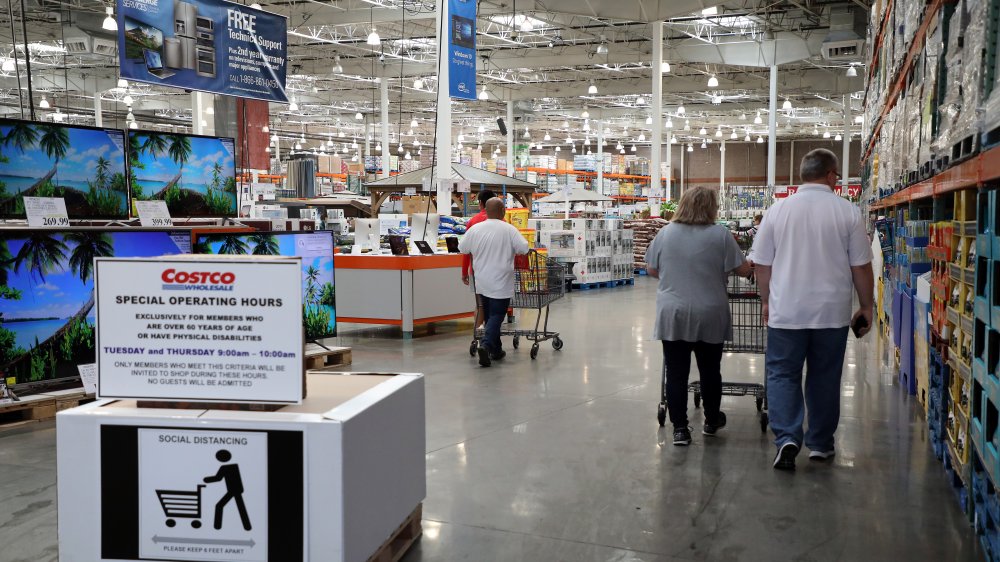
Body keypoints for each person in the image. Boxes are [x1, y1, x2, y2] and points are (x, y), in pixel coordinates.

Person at [750, 148, 874, 471]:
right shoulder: (847, 213)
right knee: (824, 377)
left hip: (786, 312)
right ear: (832, 176)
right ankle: (819, 443)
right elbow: (861, 267)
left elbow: (761, 265)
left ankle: (788, 437)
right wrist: (866, 306)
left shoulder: (777, 211)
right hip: (831, 315)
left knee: (781, 373)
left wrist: (766, 300)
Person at [645, 186, 752, 446]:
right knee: (709, 371)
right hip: (710, 312)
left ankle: (680, 429)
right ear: (711, 207)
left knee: (676, 372)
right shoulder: (721, 235)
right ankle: (712, 421)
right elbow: (742, 269)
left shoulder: (665, 233)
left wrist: (675, 278)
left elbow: (651, 269)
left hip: (674, 312)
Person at [459, 197, 529, 367]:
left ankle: (496, 350)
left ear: (486, 211)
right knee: (497, 315)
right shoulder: (509, 230)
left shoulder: (475, 229)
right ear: (503, 211)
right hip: (501, 280)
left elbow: (462, 248)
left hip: (482, 280)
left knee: (490, 315)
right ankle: (486, 345)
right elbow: (524, 248)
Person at [462, 189, 497, 327]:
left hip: (477, 271)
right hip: (497, 272)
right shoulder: (503, 221)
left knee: (480, 304)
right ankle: (491, 335)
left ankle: (478, 335)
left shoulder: (473, 222)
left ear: (481, 203)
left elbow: (466, 251)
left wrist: (464, 272)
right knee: (495, 305)